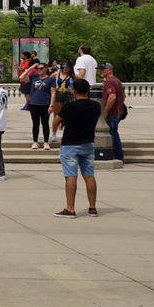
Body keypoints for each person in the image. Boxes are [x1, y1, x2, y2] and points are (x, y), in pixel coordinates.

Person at [52, 78, 102, 217]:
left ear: (74, 91)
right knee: (89, 175)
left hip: (70, 144)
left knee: (71, 176)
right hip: (88, 142)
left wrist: (63, 122)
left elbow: (56, 121)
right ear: (88, 90)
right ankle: (92, 207)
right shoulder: (96, 106)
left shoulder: (70, 106)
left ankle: (70, 208)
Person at [101, 63, 127, 164]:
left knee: (112, 134)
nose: (101, 71)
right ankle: (118, 155)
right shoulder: (117, 80)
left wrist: (106, 111)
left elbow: (112, 97)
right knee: (114, 132)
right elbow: (123, 96)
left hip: (112, 112)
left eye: (103, 69)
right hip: (118, 112)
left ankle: (117, 155)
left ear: (109, 70)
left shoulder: (110, 82)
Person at [26, 62, 54, 149]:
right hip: (34, 103)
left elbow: (53, 93)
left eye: (41, 68)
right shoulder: (34, 78)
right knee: (35, 123)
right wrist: (31, 67)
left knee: (45, 123)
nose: (39, 70)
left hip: (45, 103)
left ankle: (46, 142)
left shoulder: (50, 79)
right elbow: (22, 77)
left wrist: (51, 105)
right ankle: (35, 141)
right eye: (38, 68)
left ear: (46, 69)